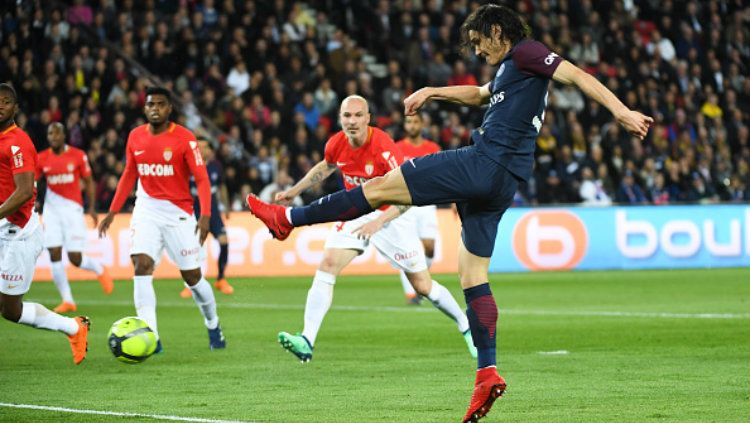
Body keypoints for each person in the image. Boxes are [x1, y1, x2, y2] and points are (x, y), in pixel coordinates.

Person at [247, 5, 653, 422]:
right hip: (504, 181)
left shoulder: (528, 52)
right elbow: (479, 95)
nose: (477, 50)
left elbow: (577, 75)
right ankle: (486, 373)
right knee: (471, 275)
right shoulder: (511, 71)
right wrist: (432, 92)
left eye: (479, 41)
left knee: (378, 187)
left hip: (484, 161)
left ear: (497, 31)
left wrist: (620, 110)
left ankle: (287, 221)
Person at [274, 95, 476, 363]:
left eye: (358, 115)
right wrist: (293, 191)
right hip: (356, 213)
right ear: (340, 118)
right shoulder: (336, 142)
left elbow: (407, 196)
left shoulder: (383, 147)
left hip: (391, 215)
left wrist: (379, 222)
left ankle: (466, 326)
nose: (352, 121)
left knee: (423, 286)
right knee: (328, 264)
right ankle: (307, 340)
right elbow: (326, 166)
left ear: (368, 118)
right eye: (347, 116)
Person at [97, 87, 226, 351]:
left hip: (178, 213)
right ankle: (151, 336)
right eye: (150, 104)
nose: (155, 108)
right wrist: (112, 210)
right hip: (146, 208)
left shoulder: (185, 139)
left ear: (169, 109)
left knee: (193, 278)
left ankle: (213, 325)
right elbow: (129, 175)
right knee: (141, 265)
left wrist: (205, 216)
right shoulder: (135, 137)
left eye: (160, 104)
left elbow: (201, 179)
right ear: (144, 108)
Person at [0, 83, 89, 364]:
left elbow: (25, 191)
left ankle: (74, 328)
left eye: (5, 101)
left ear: (15, 108)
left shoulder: (18, 142)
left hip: (17, 235)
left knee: (11, 311)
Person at [36, 122, 114, 313]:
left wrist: (93, 207)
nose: (53, 137)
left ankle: (99, 269)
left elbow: (89, 181)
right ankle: (68, 300)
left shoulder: (78, 155)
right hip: (51, 211)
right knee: (54, 253)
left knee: (75, 258)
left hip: (73, 211)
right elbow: (33, 183)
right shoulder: (42, 158)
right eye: (50, 134)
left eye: (56, 133)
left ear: (64, 136)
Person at [395, 113, 441, 305]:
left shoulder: (432, 148)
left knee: (429, 248)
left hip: (427, 202)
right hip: (404, 204)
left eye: (415, 122)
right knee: (406, 249)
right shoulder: (397, 148)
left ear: (422, 124)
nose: (412, 125)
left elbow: (444, 174)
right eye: (408, 122)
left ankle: (421, 280)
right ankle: (413, 294)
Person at [180, 140, 234, 298]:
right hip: (194, 213)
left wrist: (227, 206)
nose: (202, 149)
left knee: (224, 241)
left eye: (205, 147)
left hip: (214, 212)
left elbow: (222, 186)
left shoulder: (216, 166)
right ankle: (190, 284)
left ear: (210, 150)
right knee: (193, 249)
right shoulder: (188, 165)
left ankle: (221, 278)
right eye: (199, 147)